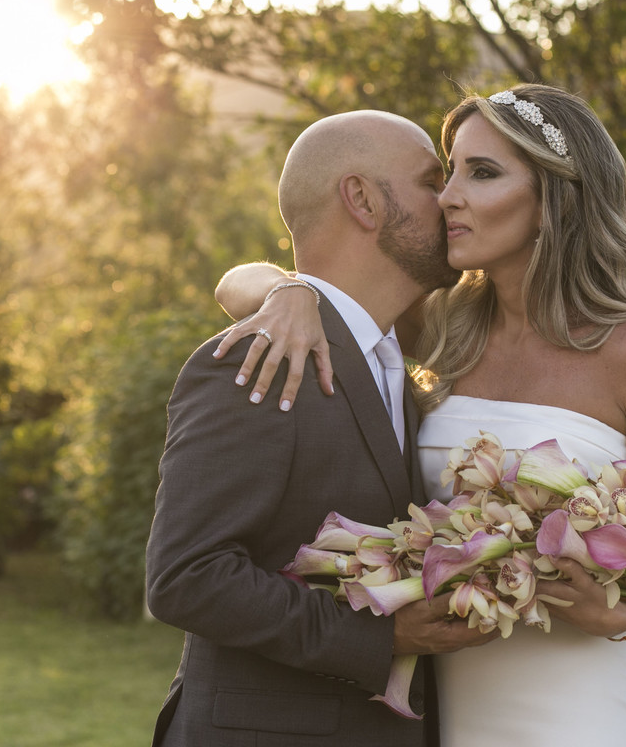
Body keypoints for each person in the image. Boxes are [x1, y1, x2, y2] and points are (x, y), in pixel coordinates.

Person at [214, 84, 626, 745]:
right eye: (449, 171)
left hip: (580, 707)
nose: (448, 195)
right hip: (449, 706)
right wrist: (293, 291)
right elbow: (234, 284)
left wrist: (619, 615)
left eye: (481, 174)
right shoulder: (443, 326)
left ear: (553, 199)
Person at [145, 109, 494, 747]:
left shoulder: (407, 360)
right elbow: (186, 578)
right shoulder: (259, 359)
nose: (447, 198)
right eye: (428, 179)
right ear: (361, 199)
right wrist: (380, 637)